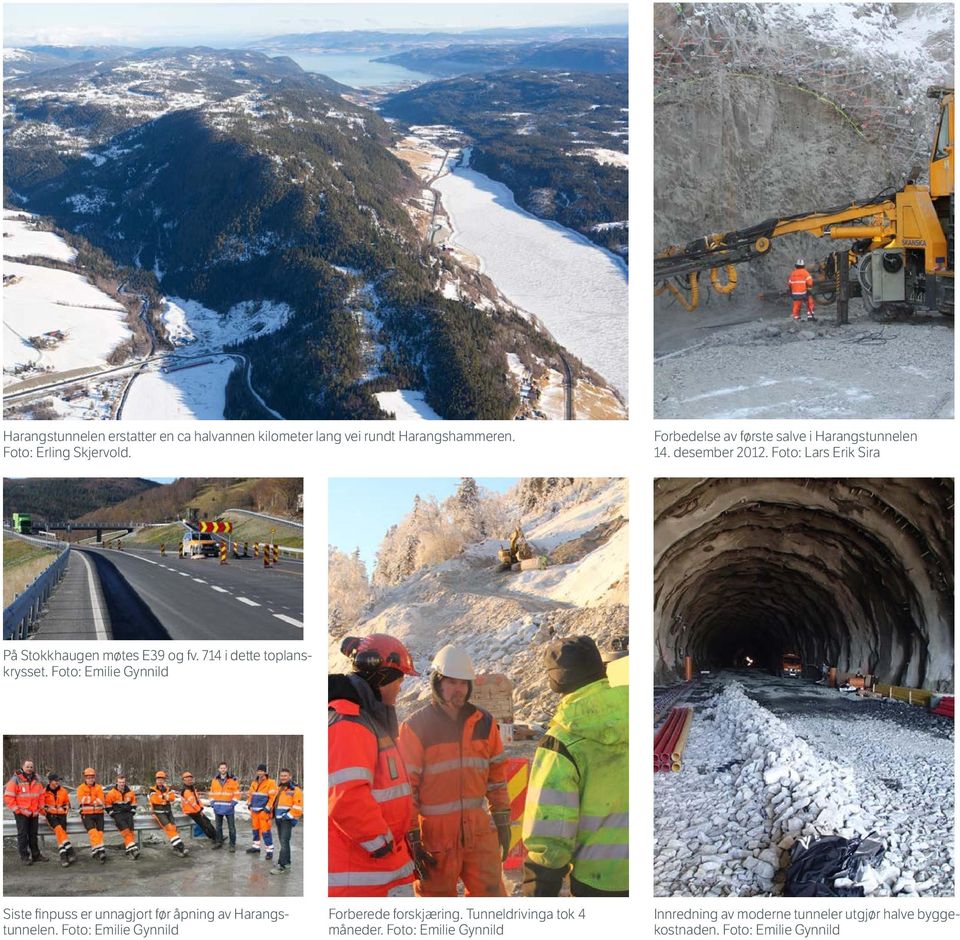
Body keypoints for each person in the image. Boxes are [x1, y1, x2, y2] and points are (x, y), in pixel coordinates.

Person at [398, 644, 510, 897]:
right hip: (435, 838)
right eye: (451, 683)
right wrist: (412, 835)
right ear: (438, 683)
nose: (458, 689)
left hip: (479, 831)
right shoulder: (416, 727)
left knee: (492, 897)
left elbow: (496, 776)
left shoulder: (485, 723)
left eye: (463, 683)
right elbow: (407, 788)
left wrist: (502, 816)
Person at [521, 635, 629, 897]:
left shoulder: (561, 742)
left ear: (555, 681)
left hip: (598, 882)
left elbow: (550, 835)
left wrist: (539, 889)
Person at [329, 634, 418, 897]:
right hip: (361, 874)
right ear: (381, 677)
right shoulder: (349, 722)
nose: (402, 684)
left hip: (378, 867)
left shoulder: (369, 719)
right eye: (399, 677)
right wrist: (382, 844)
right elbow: (346, 796)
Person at [3, 760, 47, 865]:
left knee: (33, 835)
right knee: (23, 835)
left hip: (34, 812)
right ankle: (24, 857)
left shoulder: (36, 780)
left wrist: (39, 810)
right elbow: (8, 797)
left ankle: (36, 855)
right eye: (27, 767)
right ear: (23, 767)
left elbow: (41, 796)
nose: (29, 769)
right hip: (21, 813)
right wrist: (18, 810)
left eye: (31, 767)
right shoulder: (15, 780)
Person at [269, 768, 303, 874]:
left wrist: (287, 816)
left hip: (287, 820)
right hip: (279, 819)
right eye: (282, 775)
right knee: (284, 842)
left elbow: (298, 807)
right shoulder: (279, 788)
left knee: (284, 842)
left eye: (285, 775)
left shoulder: (295, 790)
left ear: (290, 776)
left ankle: (282, 865)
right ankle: (287, 862)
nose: (283, 777)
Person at [149, 771, 188, 856]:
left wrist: (164, 798)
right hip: (159, 813)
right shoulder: (152, 789)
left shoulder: (167, 789)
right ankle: (181, 847)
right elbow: (154, 800)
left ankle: (176, 848)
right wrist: (165, 797)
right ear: (156, 780)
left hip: (168, 811)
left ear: (164, 780)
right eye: (158, 779)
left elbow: (172, 798)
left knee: (173, 828)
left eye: (162, 779)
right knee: (169, 828)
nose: (160, 781)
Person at [42, 773, 76, 867]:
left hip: (62, 815)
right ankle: (70, 850)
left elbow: (67, 804)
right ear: (50, 781)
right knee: (58, 829)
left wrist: (64, 811)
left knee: (61, 834)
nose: (57, 782)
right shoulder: (44, 792)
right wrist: (46, 813)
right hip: (51, 815)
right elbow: (41, 806)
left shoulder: (63, 791)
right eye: (55, 780)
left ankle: (63, 856)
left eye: (58, 780)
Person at [104, 773, 140, 860]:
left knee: (131, 831)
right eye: (120, 782)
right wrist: (112, 813)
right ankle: (133, 849)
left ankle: (129, 850)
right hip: (118, 814)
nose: (122, 784)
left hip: (128, 814)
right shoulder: (112, 793)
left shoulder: (130, 792)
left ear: (125, 782)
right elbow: (107, 805)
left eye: (123, 782)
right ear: (117, 783)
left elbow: (134, 802)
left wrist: (132, 811)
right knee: (126, 831)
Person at [246, 764, 278, 860]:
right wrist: (249, 803)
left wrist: (268, 808)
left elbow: (273, 797)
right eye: (258, 771)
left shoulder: (271, 783)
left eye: (262, 771)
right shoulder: (254, 782)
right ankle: (256, 847)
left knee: (265, 831)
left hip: (264, 811)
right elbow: (251, 794)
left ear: (265, 772)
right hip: (254, 810)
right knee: (255, 830)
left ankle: (269, 850)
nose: (260, 772)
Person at [76, 767, 108, 863]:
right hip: (87, 814)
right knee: (93, 832)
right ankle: (101, 850)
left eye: (92, 777)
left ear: (94, 778)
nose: (90, 779)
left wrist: (89, 800)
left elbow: (101, 800)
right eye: (88, 777)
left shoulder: (98, 787)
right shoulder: (81, 788)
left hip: (99, 813)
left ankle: (95, 851)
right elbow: (81, 800)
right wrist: (94, 800)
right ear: (85, 778)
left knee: (100, 833)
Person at [179, 772, 218, 846]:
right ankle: (214, 838)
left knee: (207, 822)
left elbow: (197, 800)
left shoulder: (191, 788)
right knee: (205, 825)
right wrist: (199, 810)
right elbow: (192, 803)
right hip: (191, 811)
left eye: (190, 779)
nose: (189, 781)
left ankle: (217, 836)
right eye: (187, 779)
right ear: (184, 781)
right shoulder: (186, 790)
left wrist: (201, 808)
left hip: (195, 810)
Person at [210, 762, 239, 851]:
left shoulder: (233, 780)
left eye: (224, 768)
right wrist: (212, 803)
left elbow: (237, 793)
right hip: (218, 807)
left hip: (229, 808)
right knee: (218, 827)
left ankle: (232, 845)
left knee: (231, 828)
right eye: (221, 768)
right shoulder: (214, 780)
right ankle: (219, 842)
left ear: (227, 769)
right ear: (219, 769)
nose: (223, 769)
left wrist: (233, 804)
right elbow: (211, 792)